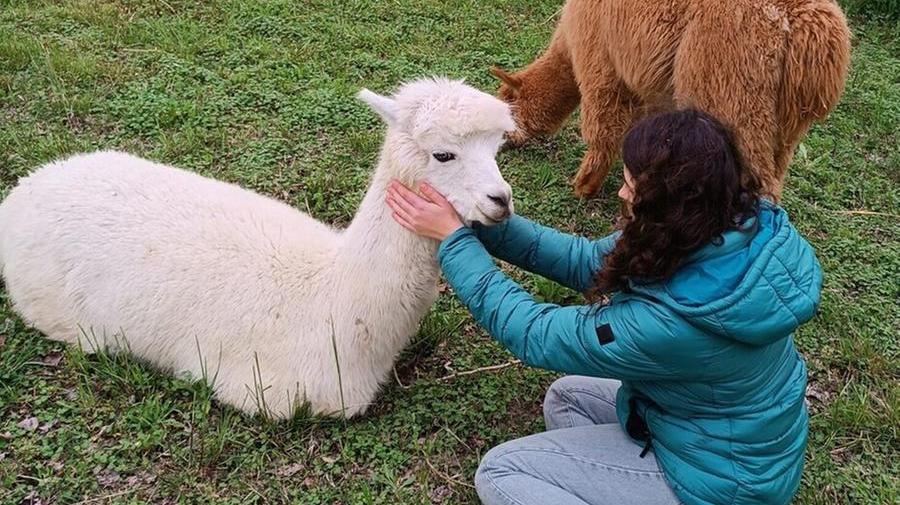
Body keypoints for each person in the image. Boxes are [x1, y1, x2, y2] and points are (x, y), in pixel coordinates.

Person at [385, 109, 822, 505]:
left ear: (665, 202)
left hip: (722, 486)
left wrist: (455, 243)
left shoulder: (671, 323)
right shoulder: (716, 228)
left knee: (503, 474)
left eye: (631, 185)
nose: (621, 192)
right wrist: (477, 220)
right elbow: (585, 261)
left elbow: (535, 335)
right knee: (567, 398)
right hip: (719, 438)